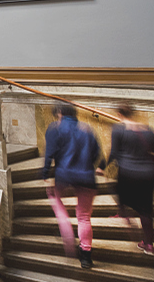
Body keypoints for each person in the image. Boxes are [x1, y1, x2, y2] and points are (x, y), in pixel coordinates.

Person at [42, 103, 105, 268]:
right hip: (86, 177)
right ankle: (86, 255)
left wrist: (45, 173)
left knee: (55, 198)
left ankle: (66, 231)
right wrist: (87, 167)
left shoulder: (55, 128)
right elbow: (97, 153)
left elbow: (49, 153)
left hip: (63, 175)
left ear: (60, 113)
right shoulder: (87, 128)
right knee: (84, 216)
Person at [106, 103, 154, 254]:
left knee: (118, 191)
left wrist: (102, 166)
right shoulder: (147, 130)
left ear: (119, 115)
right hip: (148, 173)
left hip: (127, 172)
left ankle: (124, 214)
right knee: (145, 210)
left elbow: (114, 152)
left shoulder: (118, 129)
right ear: (132, 113)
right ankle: (149, 244)